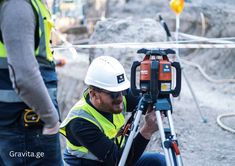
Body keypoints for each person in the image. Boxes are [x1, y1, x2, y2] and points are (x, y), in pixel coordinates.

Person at [60, 56, 166, 166]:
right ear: (94, 95)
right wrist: (146, 131)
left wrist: (156, 93)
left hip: (117, 158)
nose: (120, 98)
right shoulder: (80, 122)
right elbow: (118, 161)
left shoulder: (119, 95)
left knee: (158, 161)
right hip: (95, 163)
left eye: (122, 91)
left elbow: (150, 104)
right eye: (114, 95)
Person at [0, 0, 63, 165]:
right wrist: (51, 120)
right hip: (27, 127)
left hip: (22, 126)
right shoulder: (18, 5)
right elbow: (24, 76)